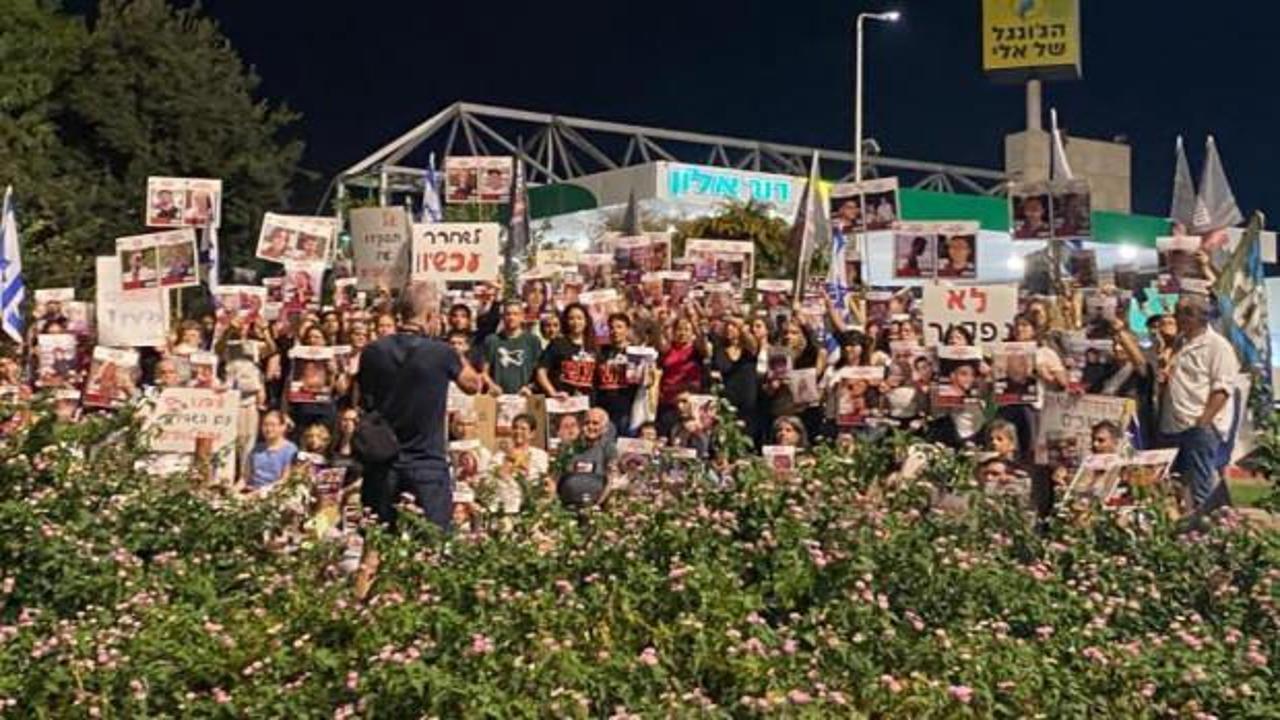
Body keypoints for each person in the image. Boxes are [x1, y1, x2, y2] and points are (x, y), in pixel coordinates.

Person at [357, 282, 483, 531]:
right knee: (433, 540)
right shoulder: (441, 353)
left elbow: (365, 395)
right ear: (430, 315)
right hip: (426, 463)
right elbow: (473, 384)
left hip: (382, 459)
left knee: (378, 539)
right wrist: (451, 349)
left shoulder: (373, 351)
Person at [1158, 293, 1239, 514]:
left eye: (1184, 313)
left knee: (1200, 489)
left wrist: (1203, 421)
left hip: (1198, 426)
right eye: (1177, 312)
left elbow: (1222, 389)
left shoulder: (1217, 346)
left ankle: (1207, 528)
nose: (1178, 318)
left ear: (1199, 316)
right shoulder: (1180, 344)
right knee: (1175, 487)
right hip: (1173, 425)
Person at [482, 300, 543, 395]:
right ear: (502, 317)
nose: (511, 317)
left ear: (522, 317)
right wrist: (492, 385)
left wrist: (529, 387)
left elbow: (540, 372)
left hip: (524, 395)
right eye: (508, 314)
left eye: (515, 314)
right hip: (498, 396)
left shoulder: (533, 341)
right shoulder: (491, 340)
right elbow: (484, 372)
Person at [537, 303, 597, 398]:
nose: (576, 322)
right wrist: (552, 393)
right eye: (571, 318)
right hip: (563, 401)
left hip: (587, 401)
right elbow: (541, 371)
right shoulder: (558, 344)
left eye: (579, 318)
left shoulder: (593, 346)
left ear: (586, 321)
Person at [246, 411, 297, 491]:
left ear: (282, 427)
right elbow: (245, 478)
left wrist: (258, 493)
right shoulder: (256, 449)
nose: (268, 429)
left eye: (273, 425)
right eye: (265, 425)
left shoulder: (290, 449)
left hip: (274, 493)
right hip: (252, 490)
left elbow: (284, 480)